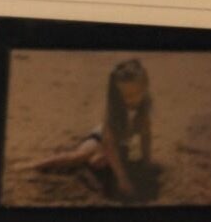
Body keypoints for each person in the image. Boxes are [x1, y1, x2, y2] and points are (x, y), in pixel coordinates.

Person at [27, 57, 160, 203]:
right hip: (100, 138)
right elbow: (109, 145)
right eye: (126, 97)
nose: (133, 100)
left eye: (137, 93)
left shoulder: (144, 107)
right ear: (116, 95)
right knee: (78, 157)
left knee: (97, 162)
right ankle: (35, 164)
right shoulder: (113, 112)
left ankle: (95, 162)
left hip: (119, 143)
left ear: (145, 86)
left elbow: (145, 136)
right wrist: (122, 179)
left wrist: (147, 162)